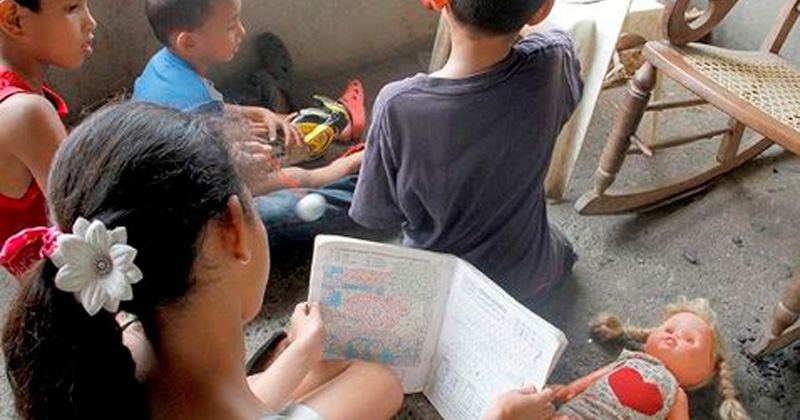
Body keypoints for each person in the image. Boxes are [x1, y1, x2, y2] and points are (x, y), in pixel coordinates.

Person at [1, 101, 403, 420]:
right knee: (375, 379)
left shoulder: (112, 358)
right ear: (233, 228)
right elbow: (380, 384)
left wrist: (300, 356)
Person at [350, 0, 581, 307]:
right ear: (543, 9)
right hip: (531, 283)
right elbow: (551, 31)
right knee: (557, 243)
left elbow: (377, 214)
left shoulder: (397, 105)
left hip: (442, 298)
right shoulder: (553, 60)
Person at [133, 0, 369, 247]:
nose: (242, 31)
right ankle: (354, 167)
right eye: (231, 25)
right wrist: (258, 156)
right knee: (295, 187)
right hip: (195, 208)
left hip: (194, 156)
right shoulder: (195, 104)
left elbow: (212, 108)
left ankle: (275, 92)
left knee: (244, 105)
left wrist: (257, 113)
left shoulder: (164, 65)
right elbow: (228, 178)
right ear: (188, 42)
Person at [0, 0, 96, 248]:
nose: (91, 22)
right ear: (13, 20)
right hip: (51, 268)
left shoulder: (19, 89)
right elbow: (90, 225)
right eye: (72, 8)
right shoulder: (27, 113)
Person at [554, 297, 749, 419]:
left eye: (689, 340)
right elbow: (595, 378)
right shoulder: (631, 359)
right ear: (648, 338)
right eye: (669, 329)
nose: (673, 337)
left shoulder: (676, 395)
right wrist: (570, 390)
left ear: (705, 371)